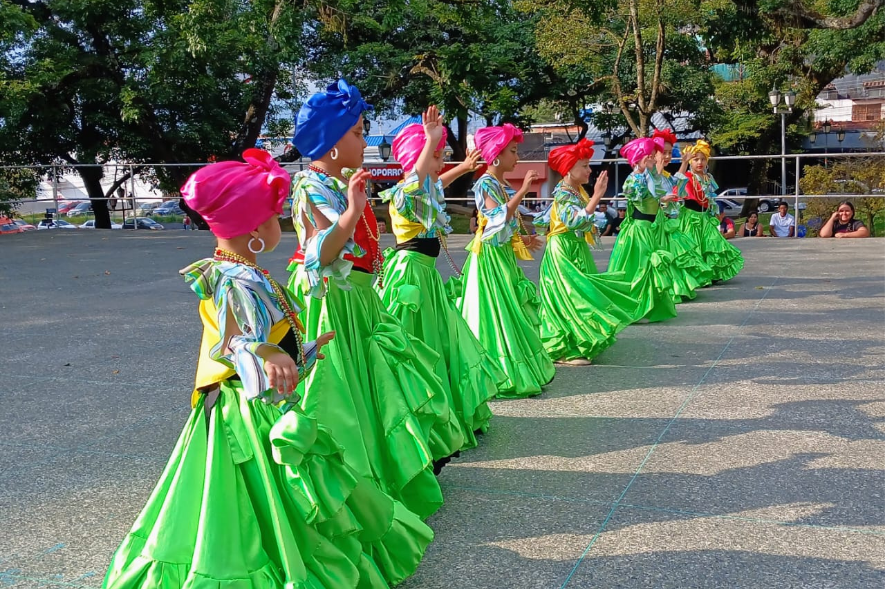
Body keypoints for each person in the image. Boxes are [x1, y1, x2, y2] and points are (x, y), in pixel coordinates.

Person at [102, 149, 418, 589]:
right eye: (275, 218)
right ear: (253, 229)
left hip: (252, 400)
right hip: (242, 409)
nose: (282, 225)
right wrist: (272, 355)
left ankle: (272, 550)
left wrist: (300, 352)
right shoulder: (235, 278)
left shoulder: (242, 271)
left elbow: (257, 337)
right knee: (251, 489)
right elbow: (237, 341)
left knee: (258, 492)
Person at [287, 80, 463, 532]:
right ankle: (350, 474)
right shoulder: (310, 184)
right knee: (342, 389)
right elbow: (322, 252)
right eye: (359, 133)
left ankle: (381, 465)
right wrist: (351, 209)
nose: (366, 142)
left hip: (361, 298)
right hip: (336, 303)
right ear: (329, 144)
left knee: (378, 380)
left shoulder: (340, 181)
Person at [377, 107, 506, 449]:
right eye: (436, 156)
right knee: (417, 345)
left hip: (426, 276)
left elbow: (434, 181)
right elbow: (417, 183)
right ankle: (422, 417)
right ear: (416, 158)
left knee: (443, 343)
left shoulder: (426, 185)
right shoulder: (406, 190)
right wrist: (429, 143)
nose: (439, 162)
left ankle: (445, 412)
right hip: (410, 277)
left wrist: (462, 167)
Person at [455, 123, 555, 398]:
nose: (517, 157)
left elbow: (503, 225)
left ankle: (513, 366)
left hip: (501, 257)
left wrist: (522, 240)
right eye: (513, 151)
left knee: (508, 310)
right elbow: (497, 218)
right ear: (496, 155)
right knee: (495, 311)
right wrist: (523, 189)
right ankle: (498, 370)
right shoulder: (486, 182)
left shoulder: (497, 183)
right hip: (489, 260)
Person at [537, 139, 645, 365]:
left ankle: (580, 341)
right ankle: (563, 348)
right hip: (563, 251)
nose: (590, 170)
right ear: (569, 169)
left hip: (575, 248)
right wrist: (597, 196)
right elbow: (573, 221)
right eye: (584, 166)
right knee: (569, 296)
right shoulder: (564, 193)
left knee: (581, 295)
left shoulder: (575, 190)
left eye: (588, 165)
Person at [607, 137, 680, 322]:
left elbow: (654, 194)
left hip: (648, 228)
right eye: (648, 156)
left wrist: (664, 199)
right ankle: (635, 307)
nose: (652, 159)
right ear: (638, 159)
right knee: (640, 268)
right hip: (638, 230)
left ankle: (646, 306)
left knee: (647, 268)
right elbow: (638, 197)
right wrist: (660, 198)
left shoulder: (648, 176)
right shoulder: (633, 179)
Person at [651, 130, 713, 300]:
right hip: (656, 225)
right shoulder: (650, 175)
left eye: (670, 152)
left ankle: (675, 287)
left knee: (675, 254)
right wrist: (661, 199)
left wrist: (684, 162)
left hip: (669, 222)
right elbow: (644, 197)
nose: (667, 156)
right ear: (654, 153)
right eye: (663, 152)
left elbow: (676, 183)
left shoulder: (664, 174)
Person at [674, 139, 744, 281]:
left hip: (705, 217)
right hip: (690, 217)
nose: (699, 162)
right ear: (691, 162)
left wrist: (715, 211)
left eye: (703, 159)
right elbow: (677, 185)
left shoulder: (708, 178)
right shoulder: (687, 177)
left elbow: (711, 197)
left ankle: (710, 272)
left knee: (711, 243)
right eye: (696, 159)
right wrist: (684, 163)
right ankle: (696, 275)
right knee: (694, 246)